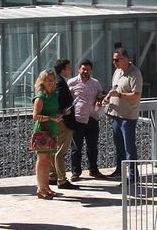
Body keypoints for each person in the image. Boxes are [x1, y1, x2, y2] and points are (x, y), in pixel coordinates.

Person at [105, 47, 144, 184]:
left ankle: (133, 176)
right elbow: (115, 89)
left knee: (129, 147)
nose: (114, 63)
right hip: (116, 114)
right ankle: (119, 171)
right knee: (119, 146)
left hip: (128, 116)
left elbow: (137, 95)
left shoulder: (135, 73)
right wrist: (108, 97)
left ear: (125, 59)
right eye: (113, 60)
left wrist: (120, 95)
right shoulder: (117, 72)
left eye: (117, 60)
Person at [69, 58, 105, 181]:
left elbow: (100, 94)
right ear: (79, 69)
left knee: (92, 147)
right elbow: (66, 99)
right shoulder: (72, 82)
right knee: (76, 148)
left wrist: (100, 99)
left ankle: (93, 170)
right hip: (78, 119)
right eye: (83, 69)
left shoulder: (95, 83)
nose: (85, 71)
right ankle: (75, 172)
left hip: (92, 118)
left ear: (91, 70)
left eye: (88, 69)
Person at [32, 70, 66, 200]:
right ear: (42, 82)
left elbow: (53, 111)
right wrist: (51, 118)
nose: (50, 82)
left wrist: (61, 113)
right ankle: (40, 188)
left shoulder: (54, 95)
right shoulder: (41, 96)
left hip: (51, 129)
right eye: (47, 80)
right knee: (42, 159)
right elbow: (35, 116)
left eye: (52, 80)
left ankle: (46, 187)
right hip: (43, 130)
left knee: (48, 160)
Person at [50, 58, 77, 191]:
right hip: (64, 121)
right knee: (60, 151)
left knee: (56, 149)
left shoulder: (59, 81)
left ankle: (53, 176)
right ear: (63, 69)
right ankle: (62, 179)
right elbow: (58, 100)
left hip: (60, 120)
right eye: (69, 67)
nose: (71, 69)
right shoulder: (60, 82)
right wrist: (63, 111)